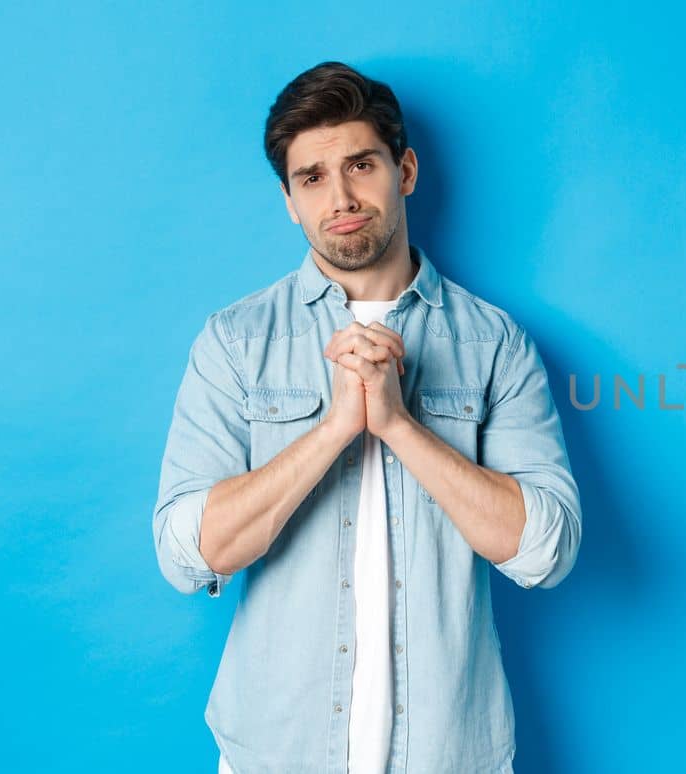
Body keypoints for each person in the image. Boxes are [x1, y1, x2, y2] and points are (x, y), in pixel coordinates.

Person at [151, 61, 582, 774]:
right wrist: (333, 431)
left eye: (361, 165)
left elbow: (548, 550)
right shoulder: (234, 342)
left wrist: (400, 426)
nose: (341, 197)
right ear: (289, 200)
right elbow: (185, 553)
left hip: (450, 754)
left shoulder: (494, 343)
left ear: (405, 170)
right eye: (311, 178)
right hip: (275, 755)